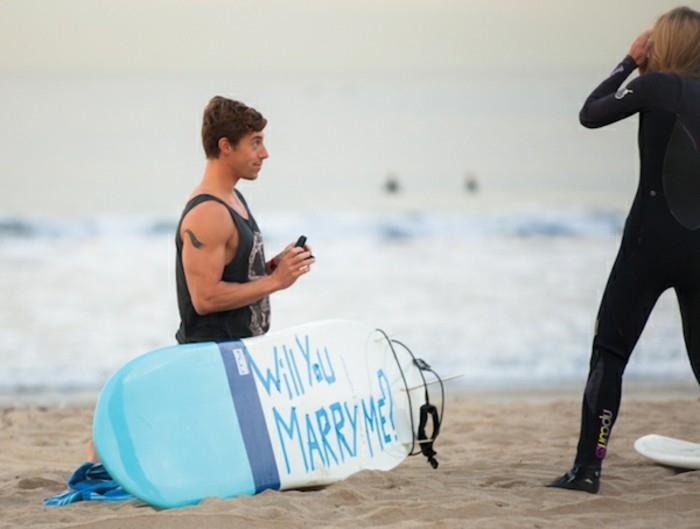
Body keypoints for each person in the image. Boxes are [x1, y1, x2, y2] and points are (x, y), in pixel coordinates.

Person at [548, 6, 700, 494]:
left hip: (649, 243)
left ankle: (587, 469)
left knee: (610, 353)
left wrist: (629, 61)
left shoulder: (655, 86)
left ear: (663, 45)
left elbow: (591, 113)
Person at [175, 95, 315, 343]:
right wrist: (275, 281)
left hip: (240, 354)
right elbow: (205, 299)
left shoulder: (233, 198)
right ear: (226, 146)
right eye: (255, 143)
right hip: (212, 361)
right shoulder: (209, 213)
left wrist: (275, 266)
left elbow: (233, 276)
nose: (265, 153)